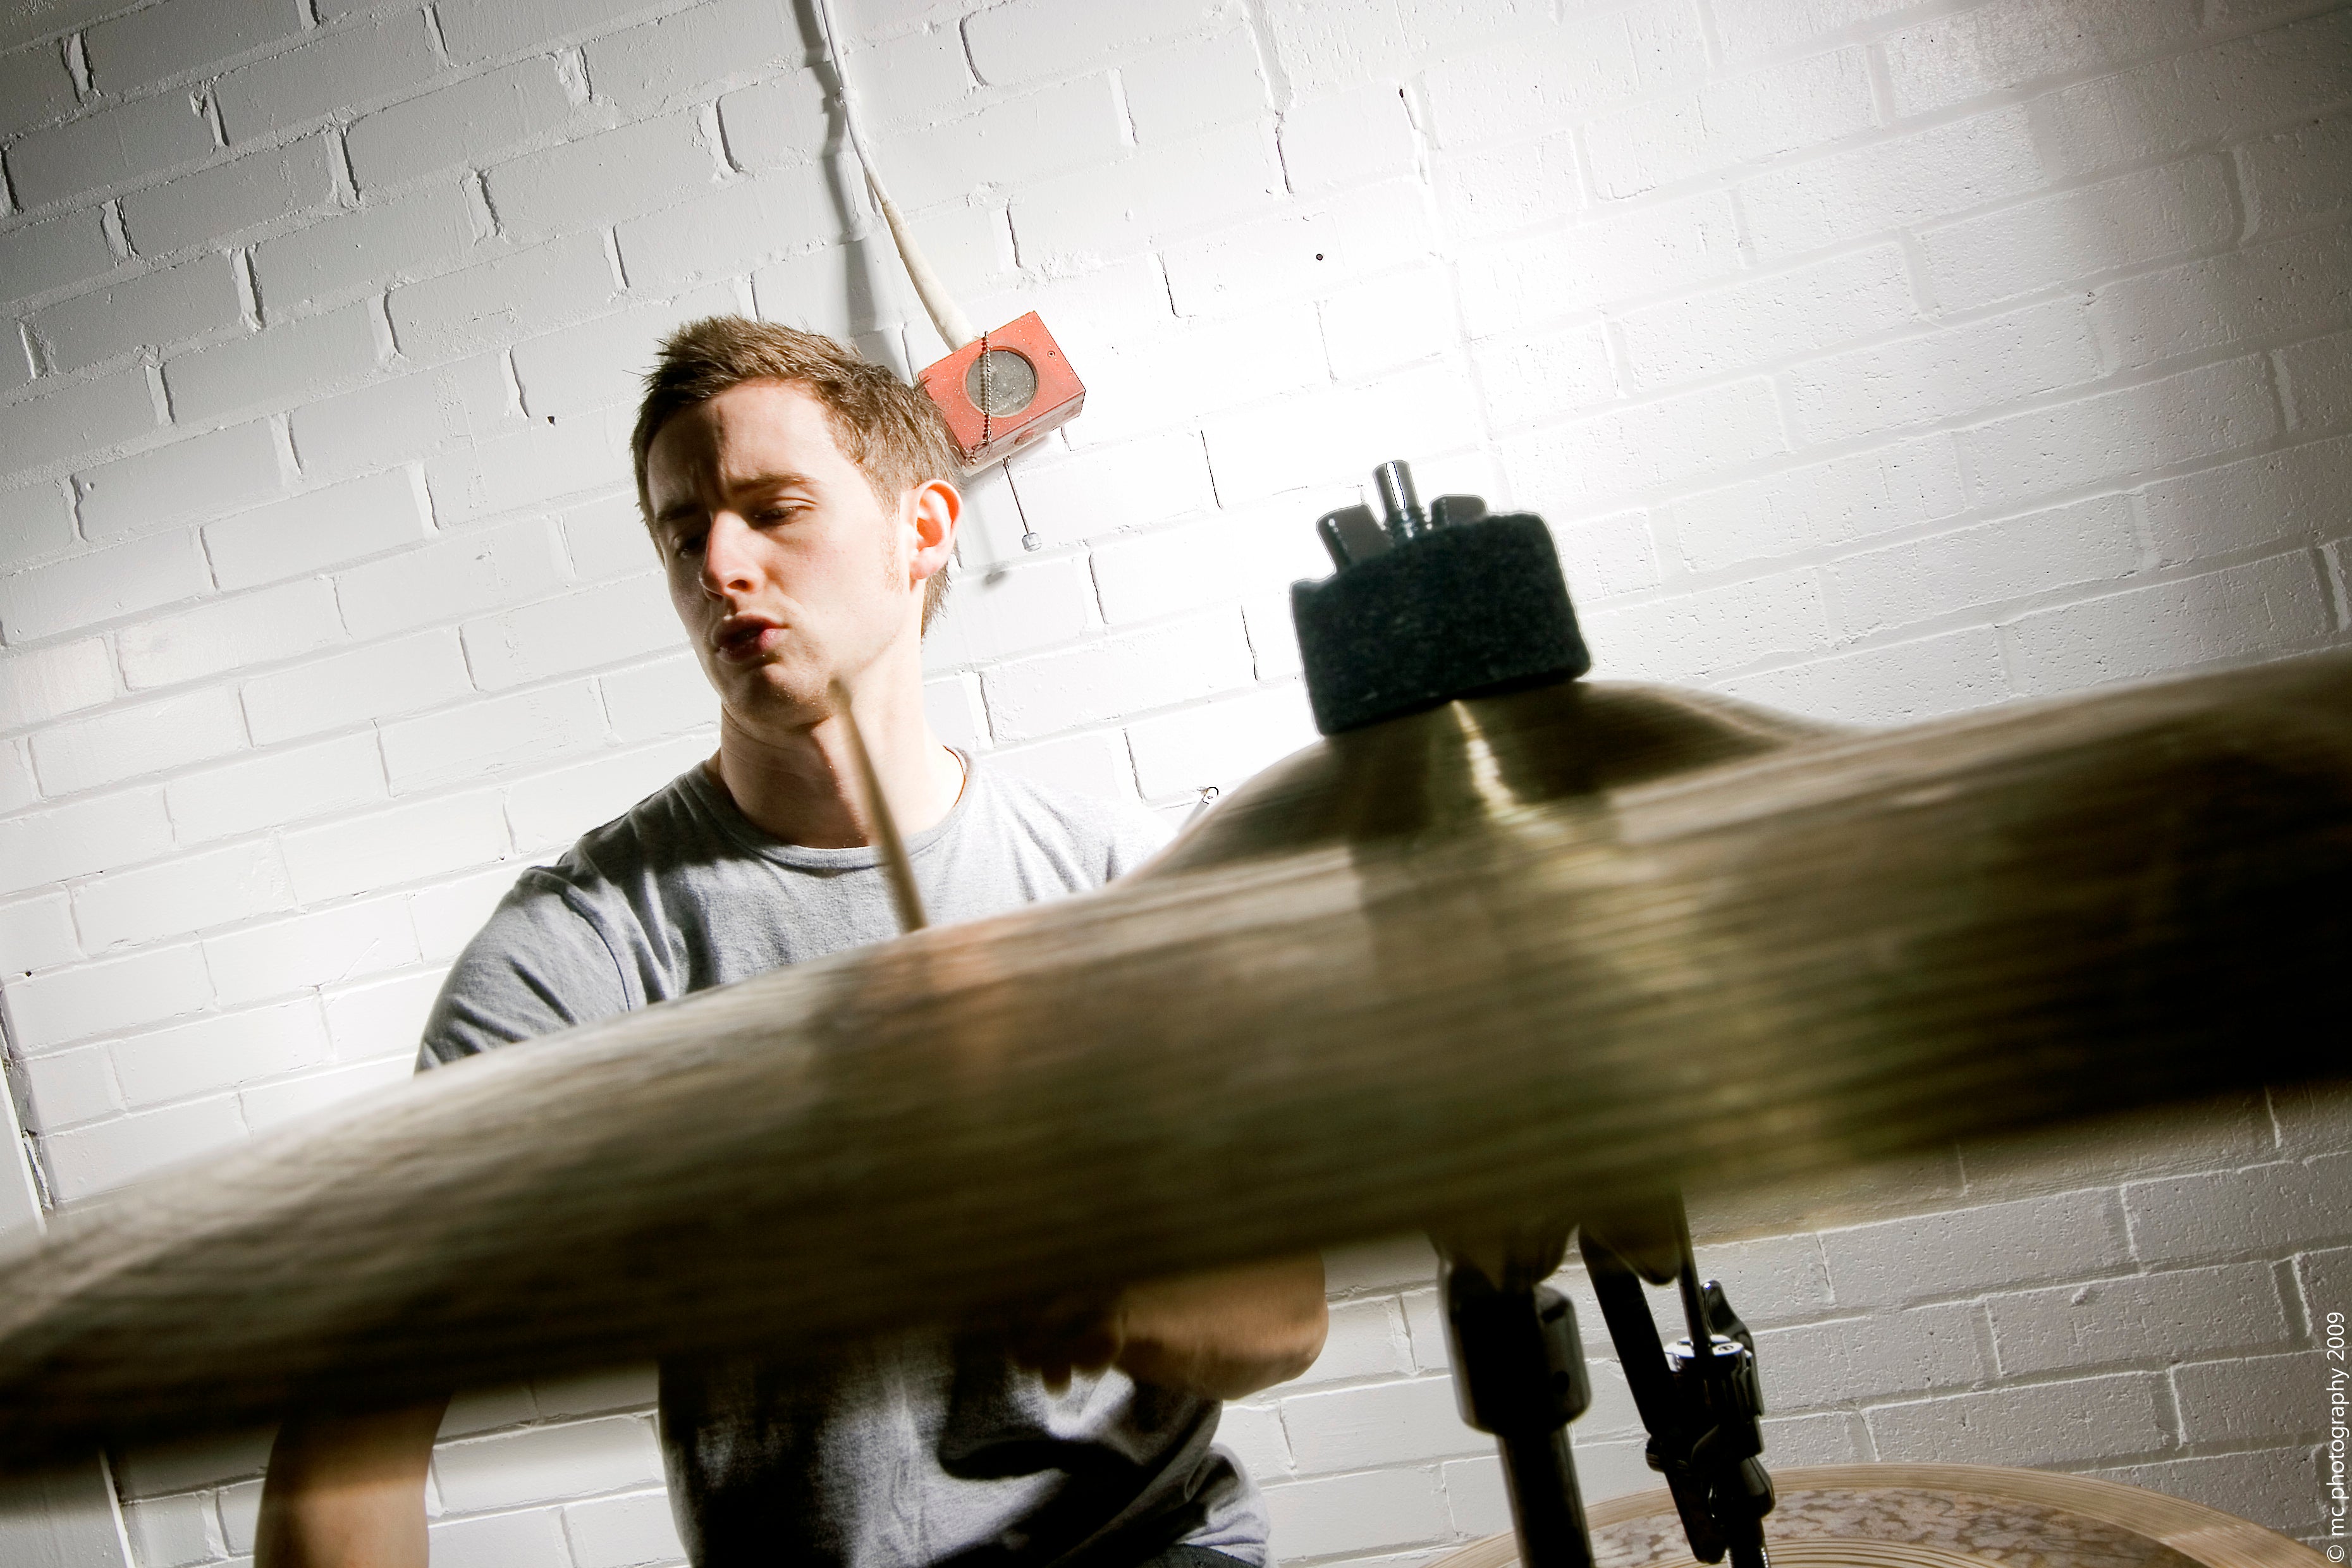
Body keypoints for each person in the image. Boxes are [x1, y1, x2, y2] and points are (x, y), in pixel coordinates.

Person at [254, 318, 1330, 1568]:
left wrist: (1121, 1296)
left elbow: (1283, 1315)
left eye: (774, 508)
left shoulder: (1111, 878)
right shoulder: (580, 955)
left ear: (923, 530)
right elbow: (350, 1433)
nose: (719, 560)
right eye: (681, 529)